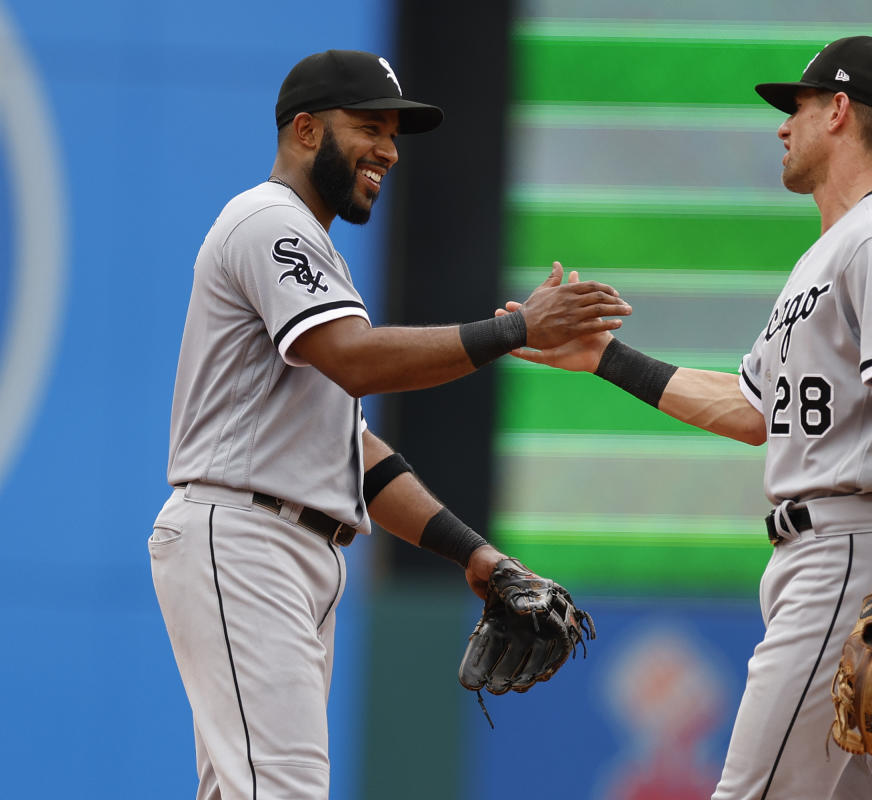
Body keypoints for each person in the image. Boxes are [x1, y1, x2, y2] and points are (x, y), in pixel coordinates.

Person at [148, 49, 630, 800]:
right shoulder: (269, 220)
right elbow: (355, 360)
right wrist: (513, 331)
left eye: (395, 133)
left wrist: (480, 559)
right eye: (369, 126)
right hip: (244, 535)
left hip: (280, 542)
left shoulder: (314, 247)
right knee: (283, 790)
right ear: (305, 130)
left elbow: (354, 451)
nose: (389, 150)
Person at [500, 36, 872, 799]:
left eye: (800, 107)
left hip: (856, 552)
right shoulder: (829, 254)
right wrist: (604, 359)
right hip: (843, 551)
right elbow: (752, 410)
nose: (785, 126)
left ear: (840, 111)